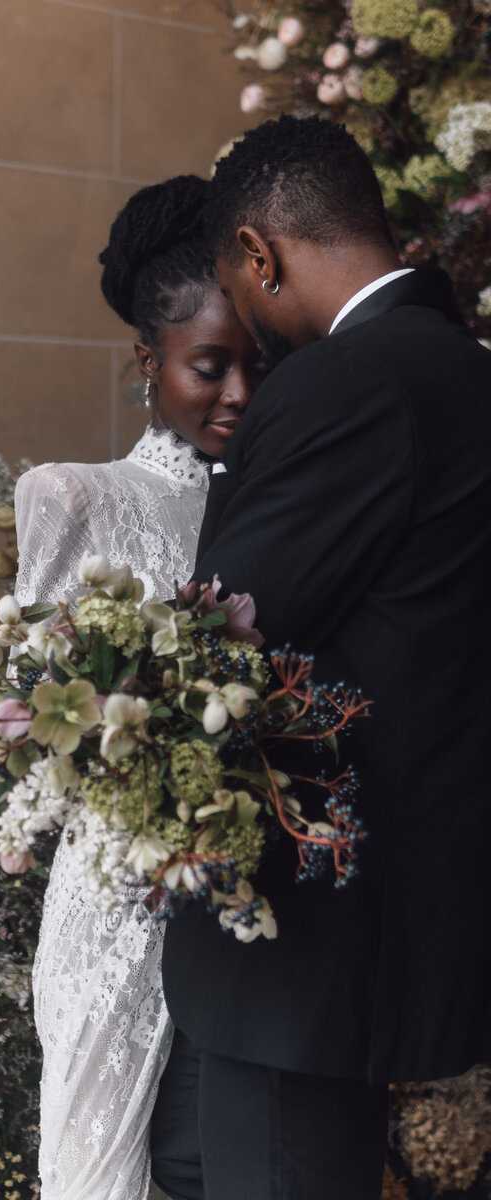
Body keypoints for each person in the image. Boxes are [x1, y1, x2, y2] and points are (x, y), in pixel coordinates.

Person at [152, 115, 491, 1200]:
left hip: (309, 944)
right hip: (415, 913)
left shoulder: (346, 381)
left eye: (237, 288)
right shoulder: (468, 372)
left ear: (257, 253)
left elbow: (221, 634)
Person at [13, 174, 264, 1200]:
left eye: (257, 365)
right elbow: (32, 722)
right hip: (112, 903)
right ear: (145, 362)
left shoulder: (272, 499)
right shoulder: (71, 496)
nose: (238, 395)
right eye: (210, 367)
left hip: (236, 908)